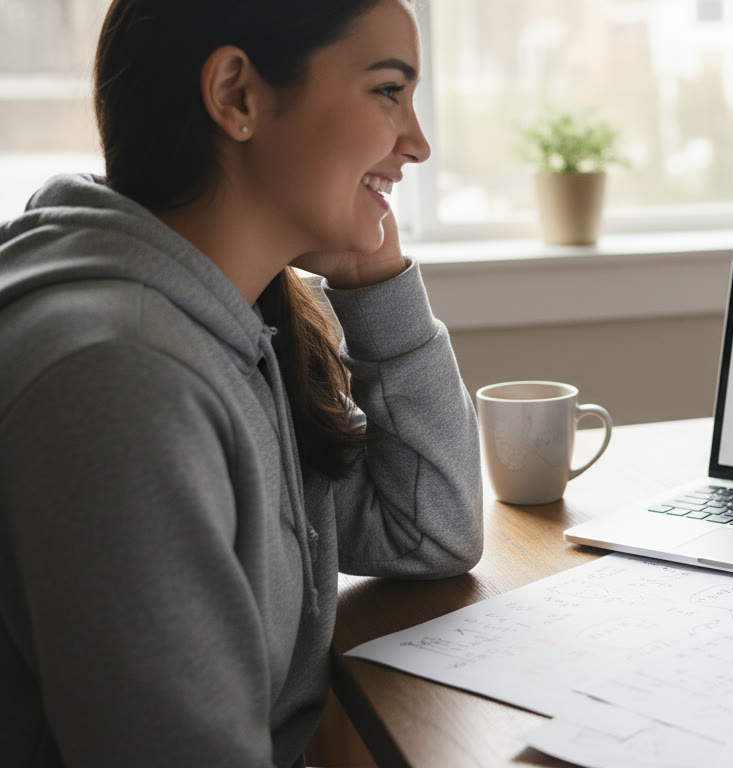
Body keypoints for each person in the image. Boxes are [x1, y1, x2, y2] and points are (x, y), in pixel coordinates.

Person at [0, 0, 483, 765]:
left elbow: (428, 533)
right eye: (388, 91)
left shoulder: (239, 320)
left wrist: (372, 284)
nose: (416, 144)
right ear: (237, 95)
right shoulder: (123, 378)